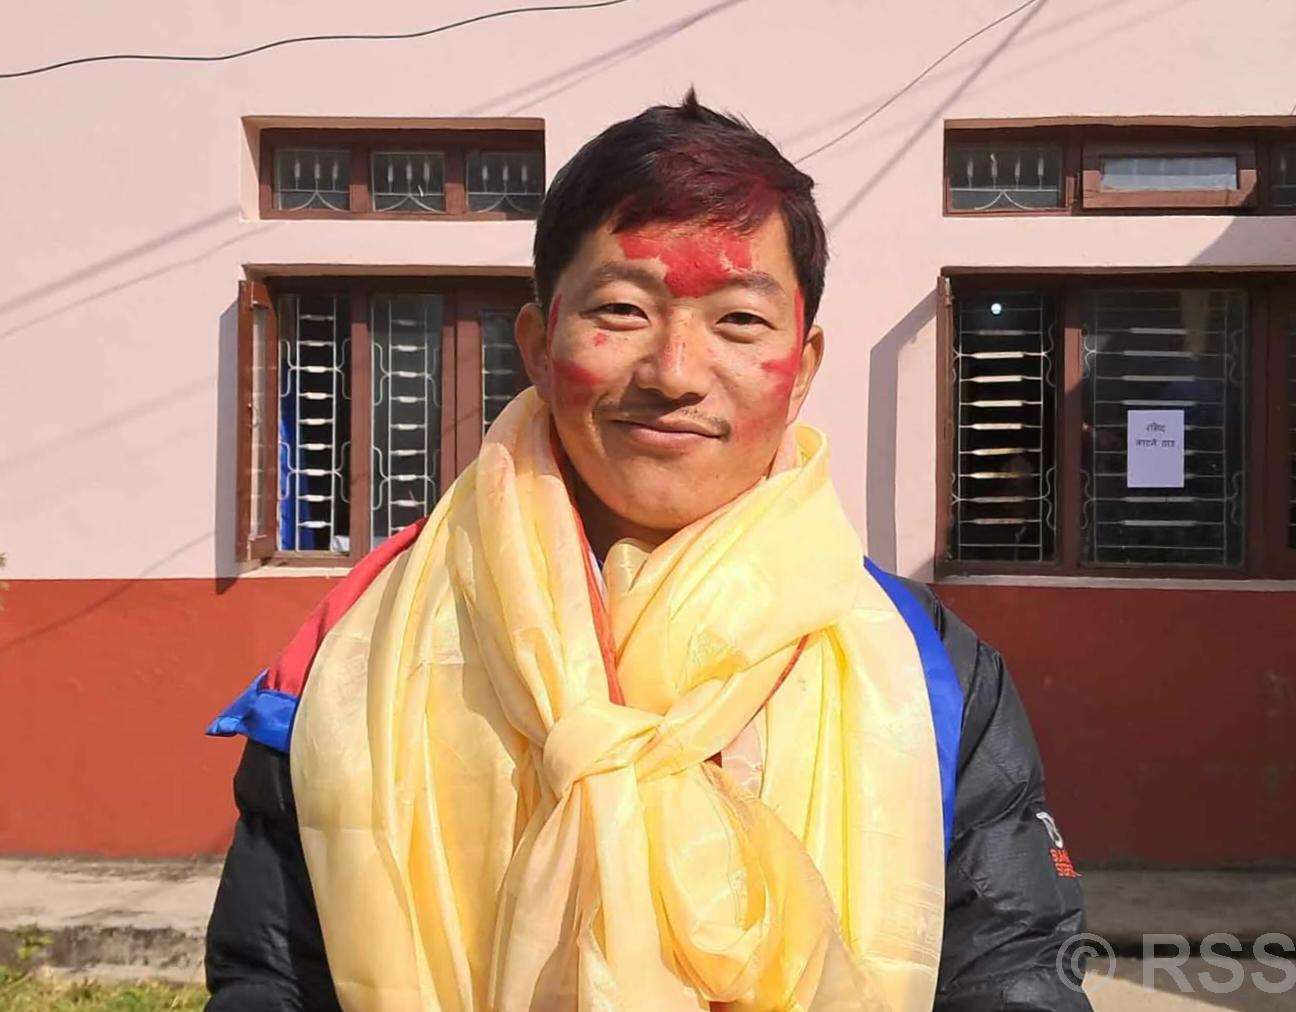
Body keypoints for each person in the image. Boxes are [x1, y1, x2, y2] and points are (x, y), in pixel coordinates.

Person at [205, 92, 1089, 1011]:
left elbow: (1013, 976)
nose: (674, 373)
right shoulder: (363, 650)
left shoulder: (923, 671)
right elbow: (275, 984)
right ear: (538, 344)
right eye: (622, 310)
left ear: (803, 369)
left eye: (739, 321)